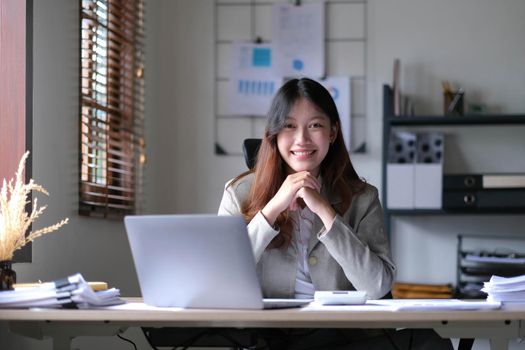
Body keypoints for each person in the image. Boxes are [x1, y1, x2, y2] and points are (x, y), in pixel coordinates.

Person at [218, 78, 452, 350]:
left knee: (429, 343)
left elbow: (377, 286)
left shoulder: (363, 197)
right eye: (289, 126)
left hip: (344, 338)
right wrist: (272, 209)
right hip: (266, 339)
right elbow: (220, 277)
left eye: (315, 125)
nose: (301, 139)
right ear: (274, 134)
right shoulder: (239, 193)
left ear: (332, 132)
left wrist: (325, 212)